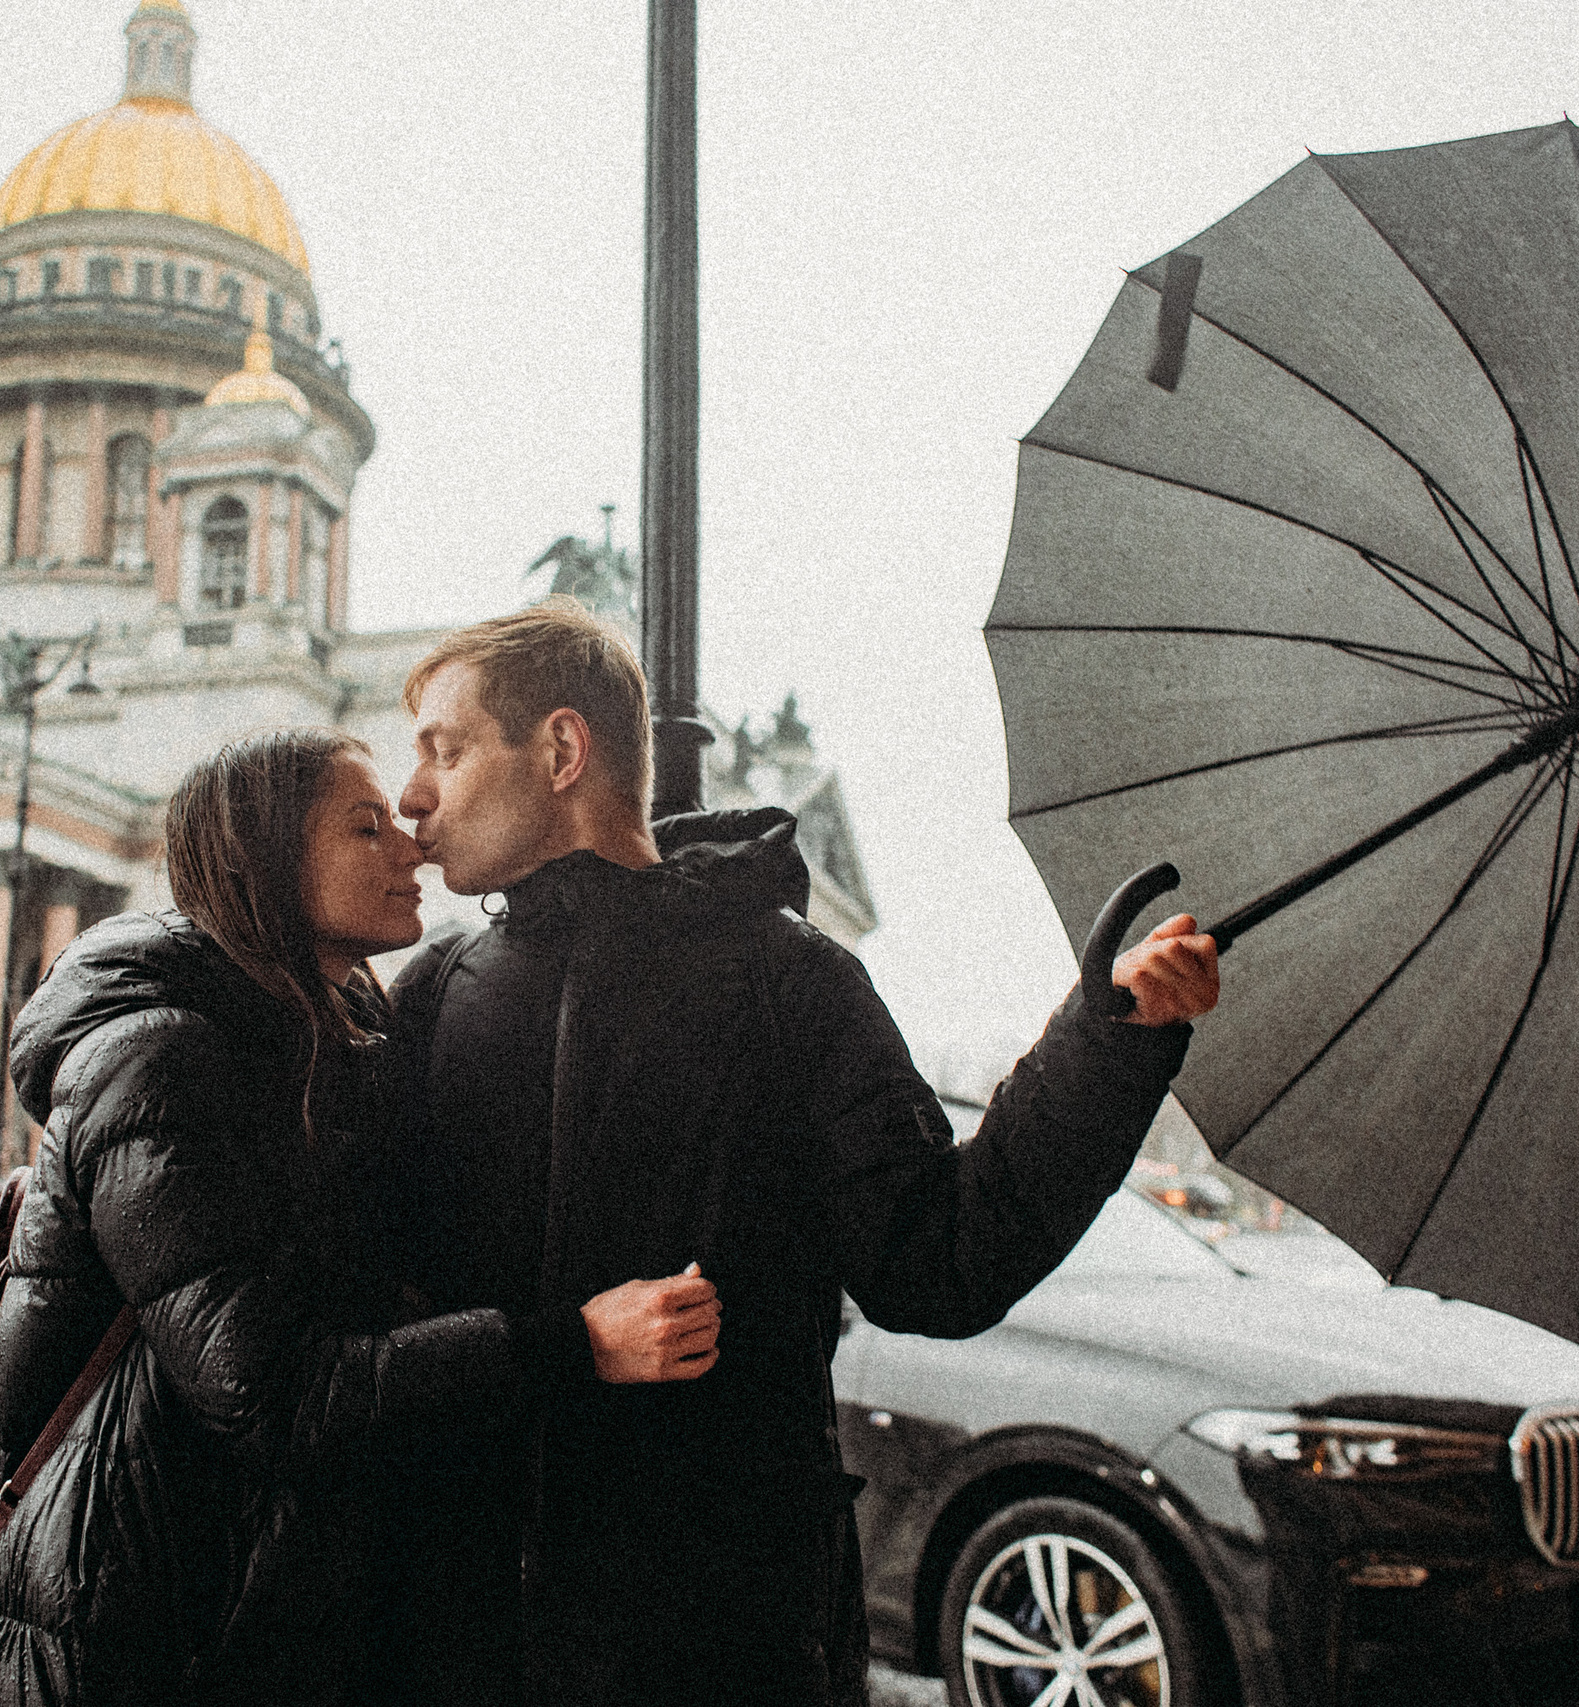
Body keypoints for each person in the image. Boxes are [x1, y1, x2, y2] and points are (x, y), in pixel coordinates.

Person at [380, 598, 1221, 1707]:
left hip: (717, 1643)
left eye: (445, 749)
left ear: (561, 750)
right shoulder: (431, 993)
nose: (412, 796)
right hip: (469, 1637)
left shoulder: (786, 981)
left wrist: (1106, 1049)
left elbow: (939, 1260)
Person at [0, 729, 724, 1707]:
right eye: (364, 827)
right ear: (264, 859)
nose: (412, 847)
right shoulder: (157, 1061)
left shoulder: (334, 1040)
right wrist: (573, 1343)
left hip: (246, 1617)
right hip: (133, 1638)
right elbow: (269, 1395)